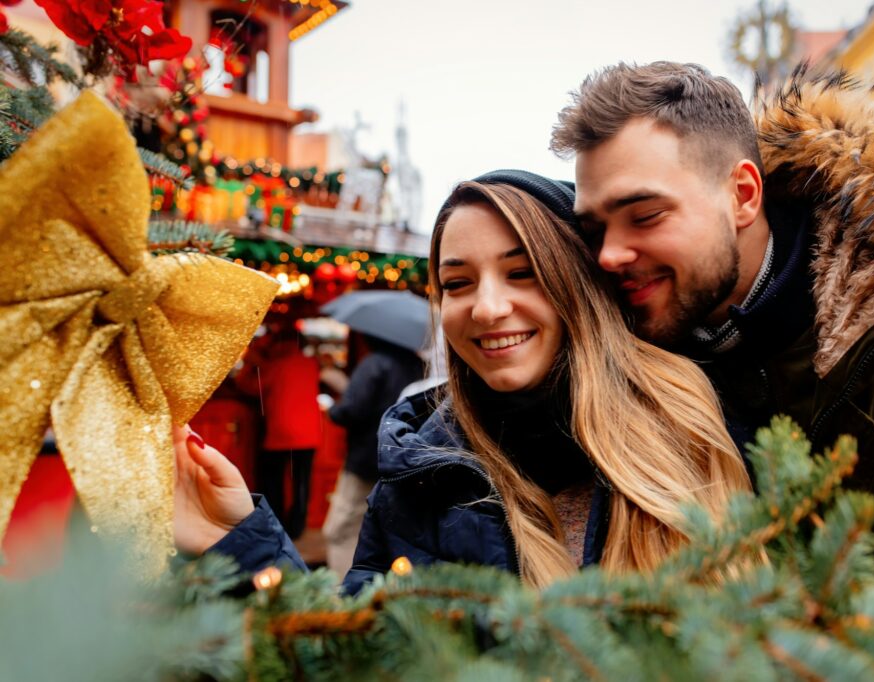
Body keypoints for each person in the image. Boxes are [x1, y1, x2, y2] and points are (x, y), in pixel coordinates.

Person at [549, 62, 874, 676]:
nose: (610, 255)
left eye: (644, 215)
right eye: (594, 229)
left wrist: (870, 656)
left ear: (743, 195)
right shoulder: (632, 371)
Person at [172, 170, 751, 594]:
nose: (487, 308)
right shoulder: (416, 475)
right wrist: (244, 543)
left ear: (579, 285)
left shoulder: (697, 427)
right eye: (458, 283)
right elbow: (355, 656)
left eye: (521, 273)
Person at [322, 331, 424, 576]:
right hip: (402, 462)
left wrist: (331, 407)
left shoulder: (375, 363)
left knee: (342, 529)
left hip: (365, 460)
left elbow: (350, 411)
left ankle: (344, 588)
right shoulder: (417, 365)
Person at [234, 325, 322, 538]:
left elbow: (248, 387)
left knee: (273, 482)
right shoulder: (311, 364)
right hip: (309, 435)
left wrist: (252, 362)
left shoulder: (275, 365)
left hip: (280, 436)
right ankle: (297, 527)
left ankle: (276, 523)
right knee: (302, 483)